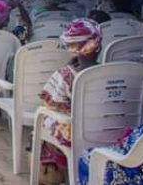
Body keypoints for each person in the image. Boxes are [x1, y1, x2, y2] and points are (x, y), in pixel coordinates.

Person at [38, 19, 102, 183]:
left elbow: (51, 104)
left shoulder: (66, 74)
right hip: (109, 128)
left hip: (77, 132)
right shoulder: (110, 72)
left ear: (72, 47)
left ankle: (53, 171)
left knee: (44, 118)